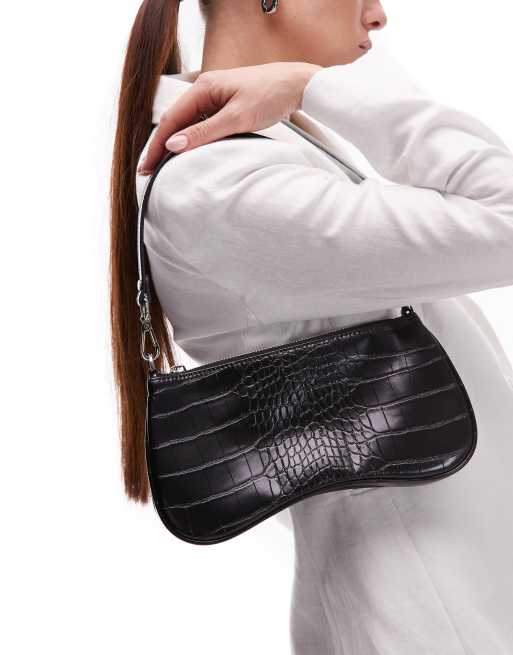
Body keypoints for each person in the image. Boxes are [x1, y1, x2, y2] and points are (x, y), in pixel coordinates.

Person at [110, 0, 513, 652]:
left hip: (452, 588)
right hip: (430, 613)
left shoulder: (273, 155)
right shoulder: (220, 185)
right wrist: (312, 85)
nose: (377, 16)